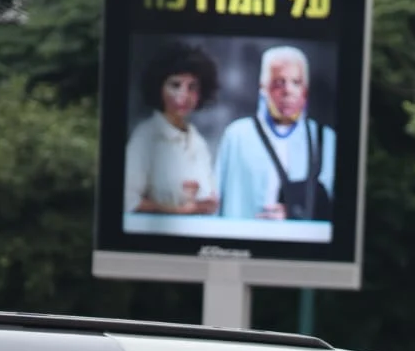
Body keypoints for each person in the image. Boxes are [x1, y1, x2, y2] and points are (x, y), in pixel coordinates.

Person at [216, 46, 337, 223]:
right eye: (279, 82)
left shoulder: (325, 139)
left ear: (305, 90)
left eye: (296, 82)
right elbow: (217, 200)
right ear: (263, 88)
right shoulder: (237, 135)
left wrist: (295, 213)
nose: (288, 91)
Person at [124, 41, 219, 215]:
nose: (184, 95)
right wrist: (176, 210)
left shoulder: (199, 142)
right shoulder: (145, 137)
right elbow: (128, 200)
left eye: (192, 87)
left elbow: (210, 199)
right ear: (159, 88)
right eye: (175, 85)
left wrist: (205, 205)